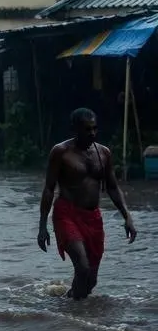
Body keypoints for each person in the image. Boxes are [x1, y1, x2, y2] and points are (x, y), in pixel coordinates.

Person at [38, 108, 137, 300]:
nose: (92, 133)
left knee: (90, 281)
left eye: (94, 128)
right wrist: (42, 226)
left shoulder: (104, 153)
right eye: (87, 129)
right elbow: (49, 188)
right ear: (74, 129)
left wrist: (128, 217)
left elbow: (113, 187)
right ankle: (74, 312)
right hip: (66, 214)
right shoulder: (61, 152)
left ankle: (70, 306)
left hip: (93, 217)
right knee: (82, 268)